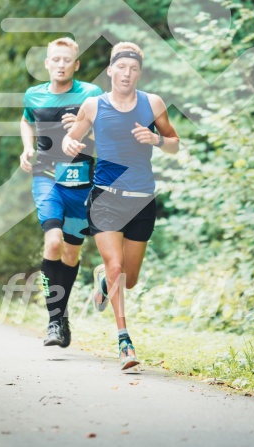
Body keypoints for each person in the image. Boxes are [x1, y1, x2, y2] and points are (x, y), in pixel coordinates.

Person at [62, 41, 180, 370]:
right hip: (106, 199)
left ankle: (104, 281)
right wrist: (70, 141)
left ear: (139, 74)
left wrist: (156, 139)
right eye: (121, 68)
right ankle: (124, 340)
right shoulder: (94, 106)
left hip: (142, 201)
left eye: (134, 69)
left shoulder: (153, 104)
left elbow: (174, 145)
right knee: (115, 266)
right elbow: (72, 139)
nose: (127, 74)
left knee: (128, 279)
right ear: (110, 70)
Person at [20, 37, 102, 348]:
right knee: (52, 240)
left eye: (67, 60)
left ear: (76, 65)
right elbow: (26, 121)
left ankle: (61, 313)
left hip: (81, 181)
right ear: (46, 64)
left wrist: (84, 126)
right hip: (47, 176)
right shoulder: (34, 95)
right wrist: (27, 149)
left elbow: (108, 131)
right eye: (55, 59)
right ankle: (54, 320)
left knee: (71, 252)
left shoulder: (90, 94)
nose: (60, 64)